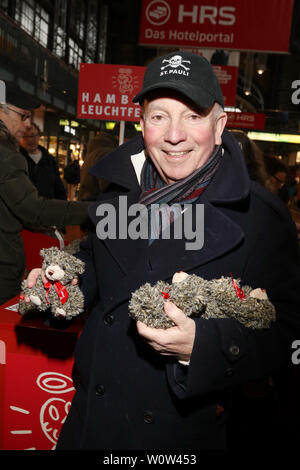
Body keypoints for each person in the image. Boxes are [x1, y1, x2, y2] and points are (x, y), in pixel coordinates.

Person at [26, 52, 300, 450]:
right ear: (142, 123)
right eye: (159, 116)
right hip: (91, 423)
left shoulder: (261, 218)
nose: (174, 134)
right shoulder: (120, 192)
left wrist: (205, 348)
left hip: (183, 435)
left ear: (219, 125)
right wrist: (64, 281)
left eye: (192, 115)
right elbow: (99, 267)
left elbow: (288, 334)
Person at [0, 80, 90, 305]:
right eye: (23, 115)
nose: (28, 124)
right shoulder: (7, 157)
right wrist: (96, 210)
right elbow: (34, 209)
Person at [19, 122, 67, 200]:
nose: (31, 140)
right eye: (26, 136)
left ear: (39, 136)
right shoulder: (17, 159)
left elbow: (58, 187)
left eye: (34, 135)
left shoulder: (49, 160)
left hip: (48, 208)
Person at [78, 131, 118, 201]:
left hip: (87, 204)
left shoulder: (96, 150)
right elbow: (110, 189)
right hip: (98, 207)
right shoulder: (107, 154)